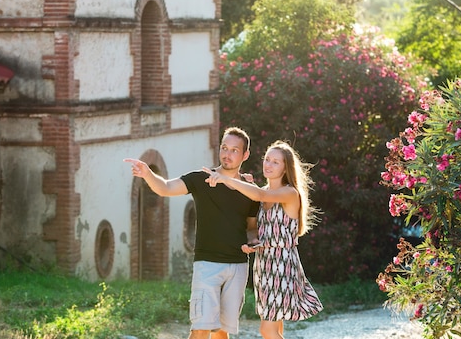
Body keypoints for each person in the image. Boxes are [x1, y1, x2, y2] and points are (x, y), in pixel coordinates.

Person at [124, 127, 259, 339]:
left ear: (245, 155)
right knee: (200, 329)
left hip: (238, 267)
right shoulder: (200, 179)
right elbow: (166, 188)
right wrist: (148, 174)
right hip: (207, 266)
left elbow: (252, 228)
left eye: (234, 150)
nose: (227, 154)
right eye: (224, 148)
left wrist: (253, 242)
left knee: (222, 333)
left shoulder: (250, 189)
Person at [203, 140, 323, 339]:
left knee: (266, 330)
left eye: (276, 162)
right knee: (276, 327)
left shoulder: (289, 193)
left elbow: (258, 194)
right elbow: (255, 229)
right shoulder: (262, 191)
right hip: (264, 265)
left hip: (282, 264)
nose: (268, 164)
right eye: (267, 159)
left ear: (286, 168)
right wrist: (252, 241)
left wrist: (225, 179)